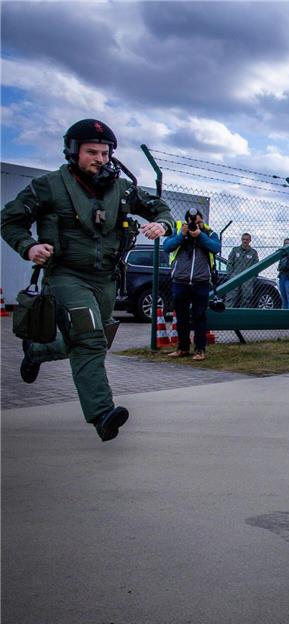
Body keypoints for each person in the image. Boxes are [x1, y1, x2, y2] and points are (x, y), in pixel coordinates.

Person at [1, 118, 174, 442]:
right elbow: (10, 221)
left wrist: (162, 224)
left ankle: (37, 351)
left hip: (107, 279)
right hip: (66, 275)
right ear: (73, 151)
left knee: (91, 340)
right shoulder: (49, 186)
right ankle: (102, 414)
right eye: (92, 151)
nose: (100, 159)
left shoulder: (122, 190)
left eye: (105, 153)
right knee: (90, 338)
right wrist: (29, 247)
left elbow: (159, 209)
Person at [163, 208, 221, 361]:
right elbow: (167, 247)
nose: (195, 224)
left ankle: (200, 350)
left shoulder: (210, 233)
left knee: (199, 316)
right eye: (193, 222)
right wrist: (182, 235)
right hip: (180, 281)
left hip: (200, 282)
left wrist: (200, 235)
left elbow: (216, 248)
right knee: (181, 317)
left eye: (199, 221)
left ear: (202, 220)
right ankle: (182, 348)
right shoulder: (179, 230)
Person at [226, 232, 259, 308]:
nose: (245, 241)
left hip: (247, 279)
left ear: (250, 240)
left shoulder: (253, 252)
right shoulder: (235, 250)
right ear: (241, 240)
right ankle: (228, 314)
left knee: (246, 298)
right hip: (235, 277)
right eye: (243, 239)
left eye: (247, 239)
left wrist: (252, 277)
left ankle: (243, 316)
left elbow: (256, 266)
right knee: (231, 297)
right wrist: (230, 275)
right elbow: (229, 263)